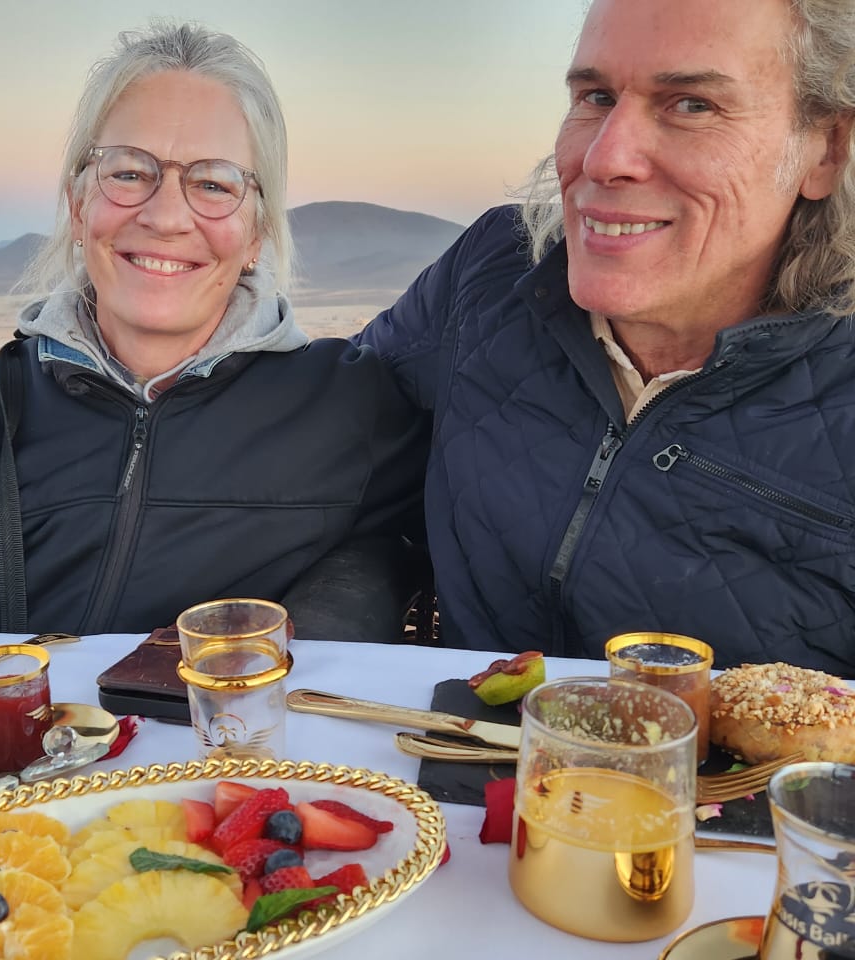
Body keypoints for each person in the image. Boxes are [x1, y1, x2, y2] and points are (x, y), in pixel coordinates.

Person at [0, 22, 426, 639]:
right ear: (77, 203)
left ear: (256, 232)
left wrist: (344, 602)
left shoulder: (350, 406)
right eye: (127, 173)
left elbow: (450, 526)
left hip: (226, 735)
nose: (167, 215)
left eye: (214, 184)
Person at [356, 0, 855, 673]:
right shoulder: (491, 276)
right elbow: (310, 449)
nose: (605, 156)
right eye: (595, 95)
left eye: (692, 105)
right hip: (455, 764)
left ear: (826, 149)